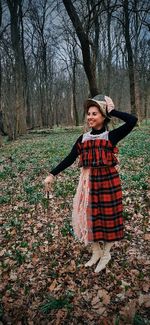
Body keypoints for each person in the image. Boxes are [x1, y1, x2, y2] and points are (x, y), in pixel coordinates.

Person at [44, 95, 138, 273]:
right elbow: (70, 158)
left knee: (108, 219)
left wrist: (113, 111)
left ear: (103, 116)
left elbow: (132, 120)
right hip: (89, 185)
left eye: (94, 113)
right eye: (88, 114)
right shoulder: (83, 139)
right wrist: (52, 174)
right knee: (89, 218)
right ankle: (96, 251)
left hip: (109, 183)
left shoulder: (111, 136)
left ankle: (106, 254)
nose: (90, 117)